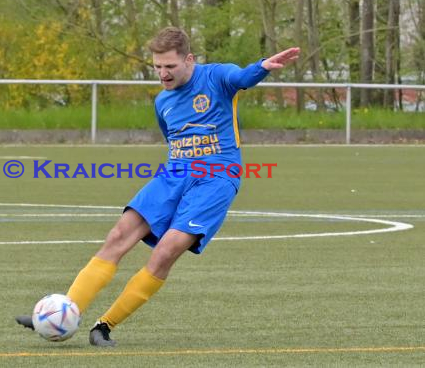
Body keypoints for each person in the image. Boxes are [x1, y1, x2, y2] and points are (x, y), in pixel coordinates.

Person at [16, 27, 300, 347]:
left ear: (188, 59)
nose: (163, 74)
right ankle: (62, 313)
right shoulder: (162, 101)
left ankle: (104, 326)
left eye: (170, 66)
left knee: (165, 253)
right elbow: (172, 138)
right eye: (157, 67)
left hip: (217, 178)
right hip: (175, 172)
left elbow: (242, 78)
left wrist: (261, 67)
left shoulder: (217, 76)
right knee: (118, 236)